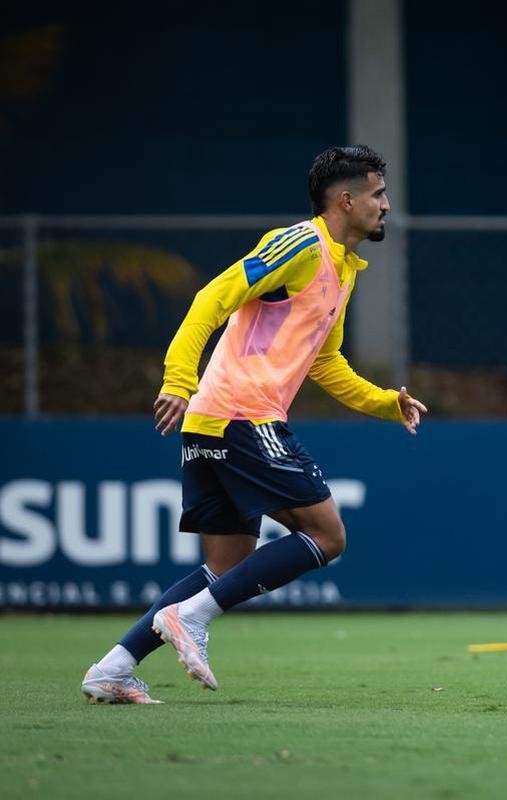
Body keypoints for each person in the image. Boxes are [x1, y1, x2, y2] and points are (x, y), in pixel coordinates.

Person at [81, 145, 426, 703]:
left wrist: (388, 403)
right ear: (346, 200)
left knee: (224, 565)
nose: (386, 206)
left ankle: (113, 668)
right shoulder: (300, 243)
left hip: (213, 423)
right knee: (327, 535)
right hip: (244, 415)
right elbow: (212, 298)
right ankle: (191, 618)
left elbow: (325, 363)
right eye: (378, 195)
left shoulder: (342, 270)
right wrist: (176, 377)